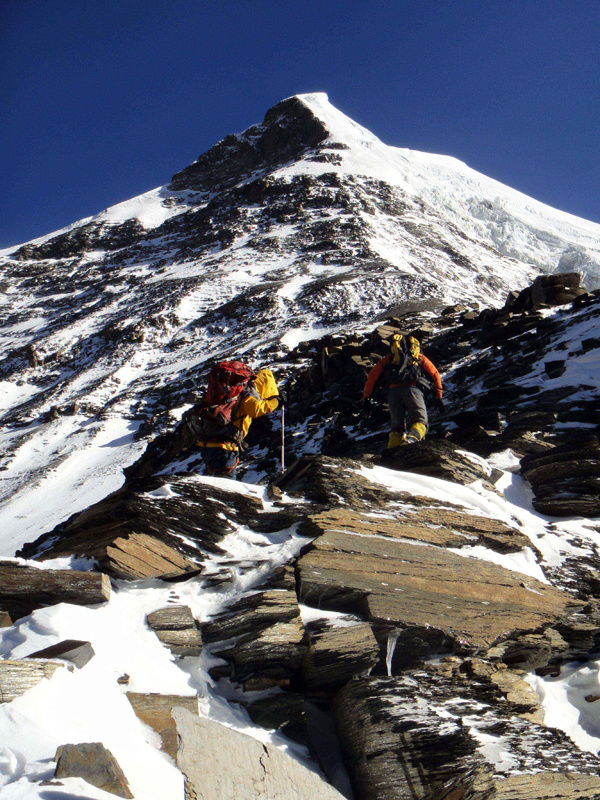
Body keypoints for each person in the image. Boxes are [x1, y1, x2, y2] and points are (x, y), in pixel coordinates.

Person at [189, 362, 280, 478]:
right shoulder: (246, 392)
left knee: (214, 482)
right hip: (225, 448)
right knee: (225, 486)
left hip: (208, 443)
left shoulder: (231, 390)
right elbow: (256, 410)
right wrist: (276, 401)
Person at [363, 333, 443, 449]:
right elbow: (435, 374)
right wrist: (438, 396)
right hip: (413, 390)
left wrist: (366, 398)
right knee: (420, 421)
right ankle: (411, 440)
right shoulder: (418, 358)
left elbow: (372, 377)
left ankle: (391, 452)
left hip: (393, 393)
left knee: (397, 427)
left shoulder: (388, 359)